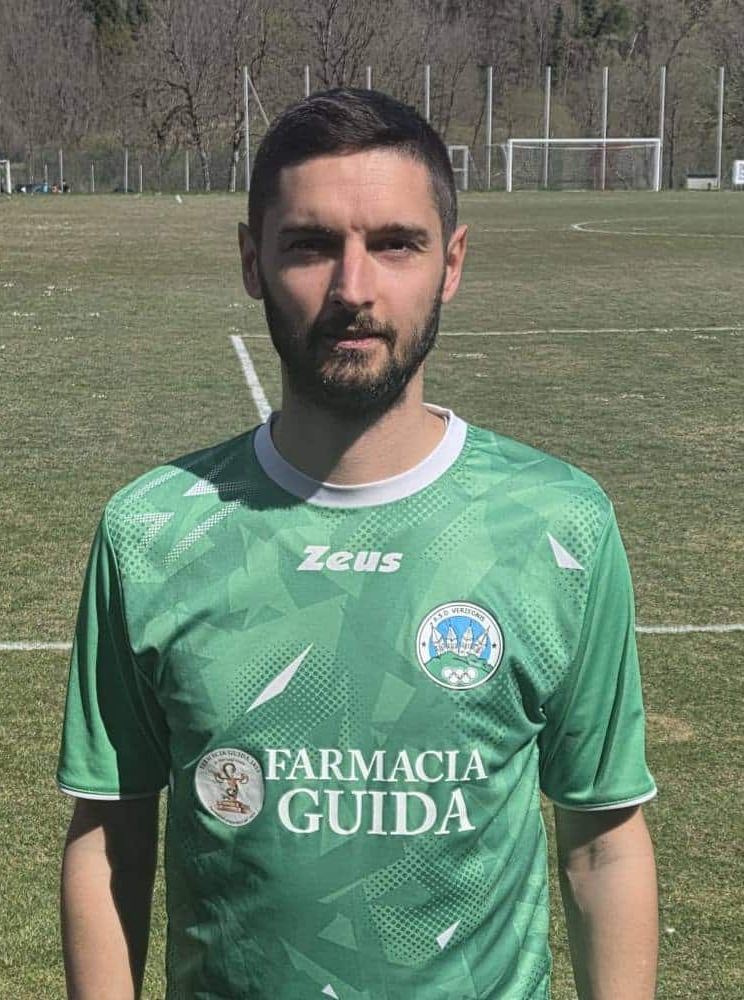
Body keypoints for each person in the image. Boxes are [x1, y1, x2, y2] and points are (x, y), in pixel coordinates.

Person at [58, 88, 658, 1000]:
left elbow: (603, 844)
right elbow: (110, 836)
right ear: (252, 261)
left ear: (451, 264)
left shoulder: (557, 524)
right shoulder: (152, 531)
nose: (353, 289)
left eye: (396, 244)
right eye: (310, 244)